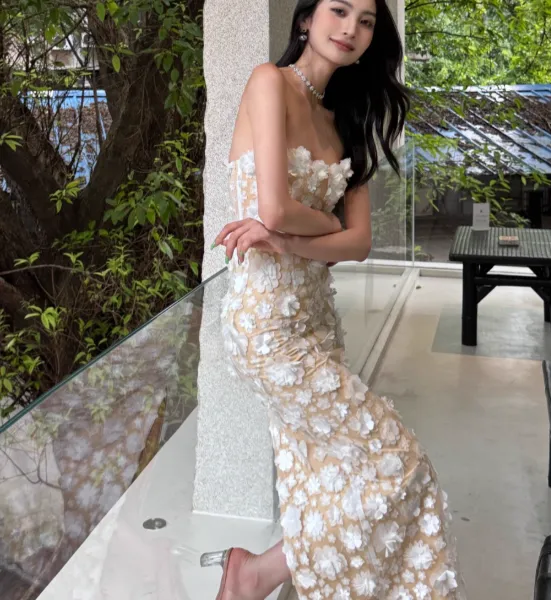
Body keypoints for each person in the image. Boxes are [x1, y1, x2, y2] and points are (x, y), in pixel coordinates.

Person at [201, 0, 466, 598]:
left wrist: (289, 238)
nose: (350, 28)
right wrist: (314, 226)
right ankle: (256, 573)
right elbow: (274, 209)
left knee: (323, 479)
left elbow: (359, 243)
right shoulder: (268, 83)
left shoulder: (347, 120)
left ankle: (250, 575)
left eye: (366, 20)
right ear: (306, 19)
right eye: (339, 10)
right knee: (396, 463)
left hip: (318, 324)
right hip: (265, 328)